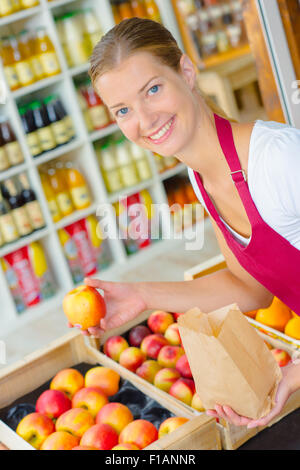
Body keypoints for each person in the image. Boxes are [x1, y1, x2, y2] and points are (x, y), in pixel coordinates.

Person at [69, 18, 300, 428]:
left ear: (187, 73)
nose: (144, 119)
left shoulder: (277, 160)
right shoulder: (204, 177)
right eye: (123, 110)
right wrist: (141, 295)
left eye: (152, 89)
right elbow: (251, 290)